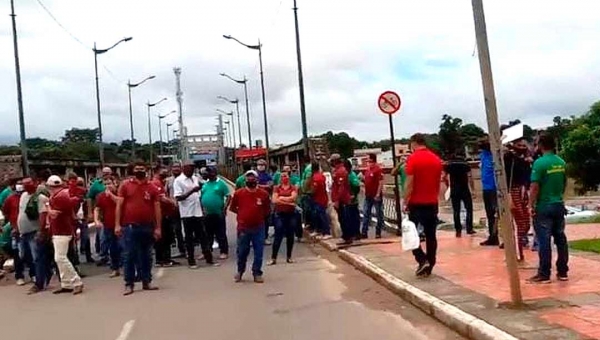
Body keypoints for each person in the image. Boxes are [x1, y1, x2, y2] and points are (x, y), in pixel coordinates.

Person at [116, 161, 161, 295]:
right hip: (129, 226)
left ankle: (146, 281)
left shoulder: (152, 187)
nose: (140, 170)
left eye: (142, 168)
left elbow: (157, 207)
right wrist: (117, 224)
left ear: (146, 170)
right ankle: (129, 284)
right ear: (132, 170)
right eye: (137, 168)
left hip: (147, 226)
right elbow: (119, 205)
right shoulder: (125, 186)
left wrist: (158, 227)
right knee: (129, 255)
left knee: (146, 255)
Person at [528, 135, 568, 284]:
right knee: (560, 239)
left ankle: (544, 274)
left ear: (541, 145)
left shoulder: (539, 163)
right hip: (558, 204)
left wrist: (530, 205)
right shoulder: (561, 162)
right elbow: (564, 183)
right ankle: (563, 271)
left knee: (544, 241)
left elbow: (534, 187)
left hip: (544, 206)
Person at [404, 133, 443, 277]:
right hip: (432, 201)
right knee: (431, 235)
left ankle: (421, 258)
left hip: (416, 202)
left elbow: (410, 183)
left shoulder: (413, 159)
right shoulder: (436, 159)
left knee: (411, 234)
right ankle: (431, 263)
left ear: (413, 143)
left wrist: (405, 200)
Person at [230, 171, 270, 283]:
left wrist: (258, 216)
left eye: (253, 179)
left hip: (259, 227)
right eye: (248, 179)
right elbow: (233, 208)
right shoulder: (239, 193)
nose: (250, 181)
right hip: (243, 228)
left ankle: (257, 272)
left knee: (259, 251)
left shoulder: (263, 194)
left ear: (257, 180)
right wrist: (242, 214)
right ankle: (240, 271)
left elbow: (267, 210)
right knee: (242, 251)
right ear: (245, 181)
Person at [47, 175, 84, 295]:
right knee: (59, 258)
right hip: (60, 229)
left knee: (60, 257)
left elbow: (54, 214)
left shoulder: (59, 197)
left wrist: (47, 208)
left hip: (62, 231)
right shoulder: (60, 195)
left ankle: (76, 281)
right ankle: (66, 283)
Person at [174, 162, 214, 269]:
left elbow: (201, 190)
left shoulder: (195, 178)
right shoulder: (178, 181)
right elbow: (178, 198)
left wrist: (202, 207)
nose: (191, 170)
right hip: (187, 213)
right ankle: (191, 261)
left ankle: (209, 259)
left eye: (193, 169)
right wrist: (192, 190)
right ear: (184, 169)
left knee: (203, 236)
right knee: (189, 238)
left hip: (197, 212)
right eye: (190, 168)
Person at [18, 177, 50, 294]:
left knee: (37, 258)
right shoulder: (23, 196)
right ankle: (44, 276)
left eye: (28, 183)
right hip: (24, 233)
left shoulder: (40, 198)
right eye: (24, 183)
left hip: (34, 232)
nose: (25, 185)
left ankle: (39, 283)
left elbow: (43, 215)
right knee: (29, 257)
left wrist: (41, 231)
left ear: (35, 183)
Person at [504, 138, 533, 260]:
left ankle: (519, 246)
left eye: (523, 145)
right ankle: (517, 252)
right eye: (519, 145)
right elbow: (506, 178)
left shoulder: (526, 160)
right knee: (518, 221)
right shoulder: (509, 158)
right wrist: (509, 196)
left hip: (524, 191)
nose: (522, 147)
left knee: (525, 222)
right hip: (513, 191)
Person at [201, 167, 231, 260]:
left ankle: (224, 251)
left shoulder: (221, 184)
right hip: (207, 213)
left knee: (220, 233)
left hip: (218, 212)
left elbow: (229, 196)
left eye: (209, 172)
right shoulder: (205, 184)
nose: (207, 174)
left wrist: (224, 208)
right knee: (207, 233)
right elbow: (201, 196)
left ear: (214, 173)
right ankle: (207, 252)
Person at [94, 177, 122, 277]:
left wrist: (111, 195)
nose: (107, 186)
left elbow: (120, 203)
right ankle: (115, 268)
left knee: (124, 247)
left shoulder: (120, 193)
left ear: (115, 183)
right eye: (105, 184)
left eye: (109, 183)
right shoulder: (101, 196)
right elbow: (97, 209)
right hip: (108, 225)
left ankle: (128, 268)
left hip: (122, 224)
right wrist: (96, 220)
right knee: (113, 248)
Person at [443, 153, 476, 237]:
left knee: (456, 210)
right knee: (469, 208)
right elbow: (470, 177)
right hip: (464, 189)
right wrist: (473, 189)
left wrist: (448, 186)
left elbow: (444, 177)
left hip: (454, 189)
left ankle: (458, 230)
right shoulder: (465, 164)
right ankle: (469, 228)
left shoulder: (449, 165)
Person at [269, 172, 298, 265]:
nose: (283, 177)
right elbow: (274, 200)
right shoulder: (276, 188)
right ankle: (274, 258)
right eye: (282, 176)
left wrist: (281, 198)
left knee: (290, 235)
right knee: (278, 234)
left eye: (285, 176)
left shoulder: (293, 187)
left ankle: (289, 257)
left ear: (289, 177)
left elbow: (293, 198)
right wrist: (289, 202)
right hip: (279, 214)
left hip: (291, 214)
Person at [3, 178, 29, 286]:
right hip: (16, 230)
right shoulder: (10, 199)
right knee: (17, 254)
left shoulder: (28, 197)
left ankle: (33, 274)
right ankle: (19, 276)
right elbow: (5, 212)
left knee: (29, 253)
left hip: (28, 229)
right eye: (18, 184)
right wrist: (12, 223)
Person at [151, 168, 179, 267]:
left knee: (165, 237)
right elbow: (161, 198)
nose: (166, 173)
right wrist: (172, 202)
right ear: (157, 172)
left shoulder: (160, 183)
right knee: (164, 238)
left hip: (165, 214)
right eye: (163, 172)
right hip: (162, 215)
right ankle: (163, 259)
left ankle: (164, 259)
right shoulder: (156, 183)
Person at [87, 167, 112, 261]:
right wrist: (90, 213)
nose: (106, 174)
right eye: (104, 173)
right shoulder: (96, 185)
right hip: (101, 214)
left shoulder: (114, 183)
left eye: (108, 173)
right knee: (102, 236)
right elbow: (89, 197)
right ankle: (103, 255)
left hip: (112, 213)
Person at [478, 138, 499, 246]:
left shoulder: (494, 155)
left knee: (496, 214)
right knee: (490, 214)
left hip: (494, 187)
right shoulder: (482, 155)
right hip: (486, 187)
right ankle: (493, 235)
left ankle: (496, 235)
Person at [331, 154, 354, 245]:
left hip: (342, 199)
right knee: (342, 218)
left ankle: (347, 237)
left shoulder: (341, 171)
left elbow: (341, 187)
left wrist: (337, 200)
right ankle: (346, 236)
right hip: (340, 198)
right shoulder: (338, 171)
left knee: (344, 218)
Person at [361, 153, 384, 239]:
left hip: (375, 195)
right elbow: (366, 182)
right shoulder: (367, 171)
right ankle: (364, 232)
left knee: (379, 214)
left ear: (372, 161)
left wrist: (378, 193)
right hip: (368, 195)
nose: (368, 162)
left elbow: (380, 182)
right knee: (366, 213)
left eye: (369, 161)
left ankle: (378, 232)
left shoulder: (377, 170)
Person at [166, 163, 185, 258]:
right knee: (177, 230)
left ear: (181, 168)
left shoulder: (185, 179)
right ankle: (182, 250)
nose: (176, 169)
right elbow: (166, 193)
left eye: (178, 167)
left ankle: (189, 250)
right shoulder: (168, 180)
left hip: (186, 207)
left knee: (188, 229)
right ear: (171, 169)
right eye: (174, 167)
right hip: (174, 209)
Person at [310, 162, 331, 238]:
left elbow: (314, 189)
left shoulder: (315, 177)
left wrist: (310, 193)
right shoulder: (321, 176)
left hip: (319, 199)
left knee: (322, 216)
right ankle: (321, 231)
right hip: (322, 198)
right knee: (319, 215)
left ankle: (326, 232)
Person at [344, 159, 362, 241]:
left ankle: (356, 233)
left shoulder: (351, 175)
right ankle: (352, 233)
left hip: (352, 201)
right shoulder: (348, 175)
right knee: (349, 217)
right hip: (348, 200)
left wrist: (353, 195)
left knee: (353, 217)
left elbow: (356, 185)